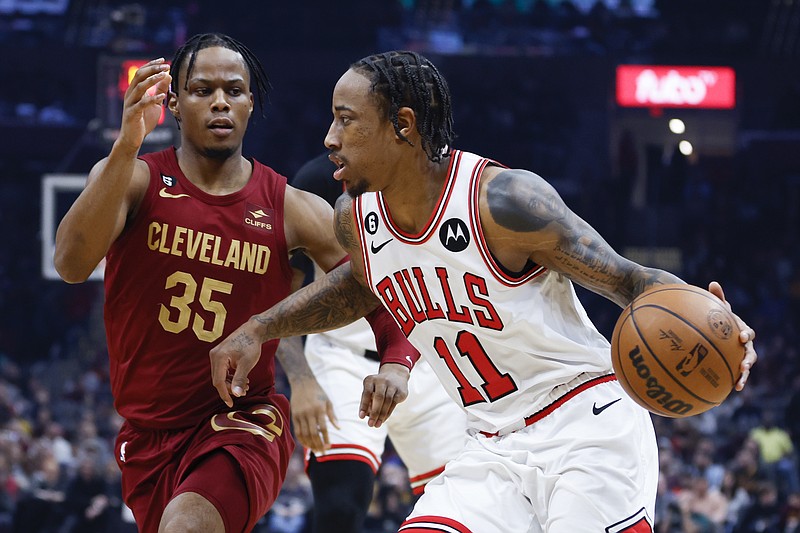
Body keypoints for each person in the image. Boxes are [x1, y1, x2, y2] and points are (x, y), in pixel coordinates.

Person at [210, 50, 759, 531]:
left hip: (584, 427)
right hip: (490, 444)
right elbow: (358, 287)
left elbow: (630, 280)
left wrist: (719, 323)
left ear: (402, 125)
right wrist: (258, 328)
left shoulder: (506, 203)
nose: (329, 138)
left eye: (346, 121)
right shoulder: (357, 217)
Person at [53, 34, 414, 533]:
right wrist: (126, 143)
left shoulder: (290, 206)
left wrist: (394, 361)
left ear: (250, 104)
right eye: (202, 90)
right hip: (148, 434)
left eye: (234, 90)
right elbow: (71, 264)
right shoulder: (133, 179)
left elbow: (376, 288)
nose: (220, 100)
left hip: (244, 420)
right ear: (174, 103)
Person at [288, 152, 467, 533]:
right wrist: (301, 380)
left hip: (429, 357)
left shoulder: (448, 176)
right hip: (344, 357)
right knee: (340, 507)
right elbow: (277, 295)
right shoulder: (317, 178)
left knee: (463, 508)